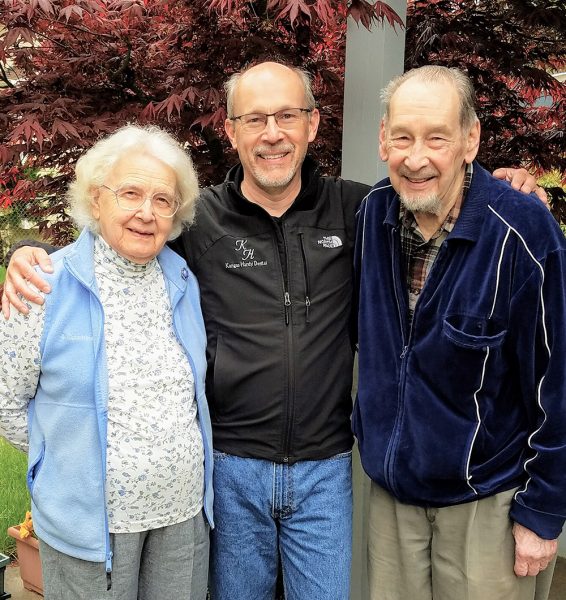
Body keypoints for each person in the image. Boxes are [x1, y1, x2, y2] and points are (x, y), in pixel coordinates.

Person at [1, 61, 546, 600]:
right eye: (254, 118)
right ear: (231, 130)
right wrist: (34, 252)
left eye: (287, 115)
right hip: (232, 470)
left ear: (312, 124)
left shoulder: (360, 209)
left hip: (325, 471)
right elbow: (120, 242)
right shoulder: (200, 220)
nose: (272, 134)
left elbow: (435, 186)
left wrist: (506, 186)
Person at [353, 65, 566, 600]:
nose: (416, 157)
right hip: (392, 496)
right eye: (402, 137)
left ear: (471, 140)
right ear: (382, 140)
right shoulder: (371, 215)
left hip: (487, 503)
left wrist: (543, 511)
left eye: (437, 138)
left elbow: (558, 381)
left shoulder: (522, 231)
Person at [0, 125, 214, 600]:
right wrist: (59, 460)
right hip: (88, 522)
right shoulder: (43, 285)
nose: (146, 212)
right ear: (96, 200)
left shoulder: (181, 281)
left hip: (180, 515)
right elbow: (7, 402)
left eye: (163, 200)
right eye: (130, 193)